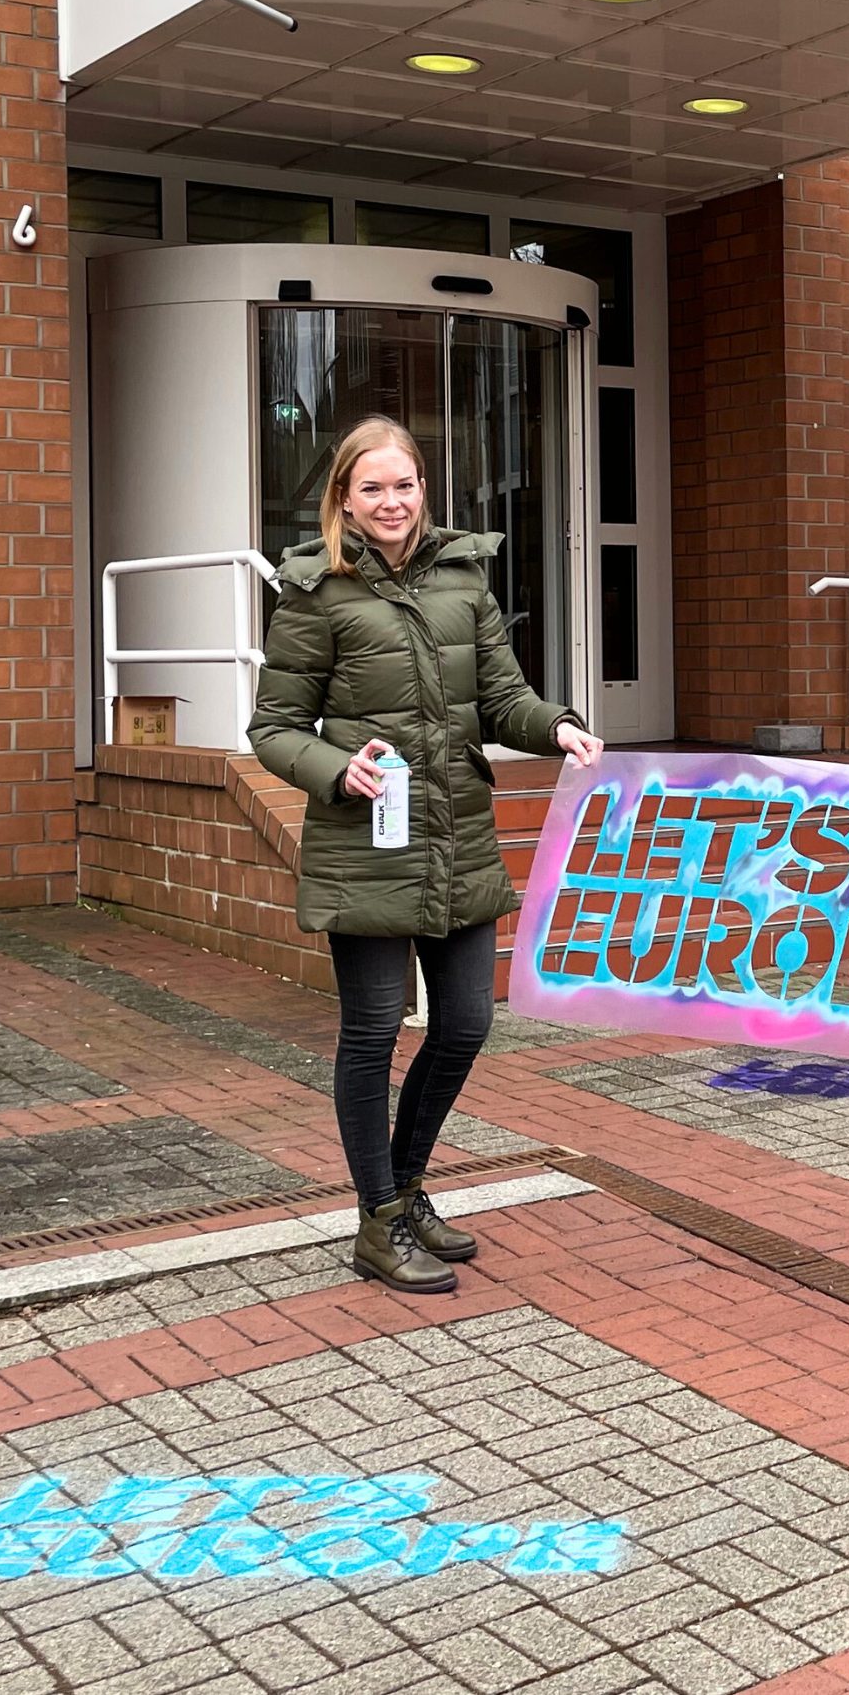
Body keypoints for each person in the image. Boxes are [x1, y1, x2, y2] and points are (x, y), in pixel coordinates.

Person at [250, 416, 604, 1295]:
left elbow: (499, 695)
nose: (391, 502)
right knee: (372, 1033)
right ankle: (377, 1218)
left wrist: (555, 724)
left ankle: (406, 1191)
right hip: (366, 844)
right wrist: (340, 771)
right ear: (344, 497)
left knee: (465, 1027)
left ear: (422, 489)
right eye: (371, 488)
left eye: (403, 485)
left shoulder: (461, 580)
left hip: (456, 832)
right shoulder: (314, 593)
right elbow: (274, 729)